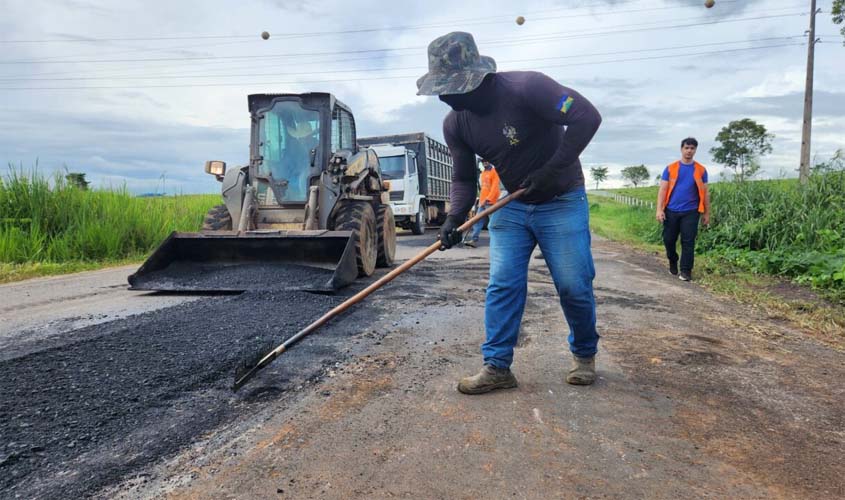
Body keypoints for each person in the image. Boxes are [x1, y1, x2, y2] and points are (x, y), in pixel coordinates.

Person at [417, 32, 603, 394]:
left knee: (573, 285)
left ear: (475, 79)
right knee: (503, 285)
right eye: (439, 88)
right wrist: (454, 218)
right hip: (513, 206)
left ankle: (584, 354)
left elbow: (586, 117)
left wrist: (552, 169)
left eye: (450, 87)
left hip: (562, 200)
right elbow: (463, 177)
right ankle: (497, 367)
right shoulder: (455, 123)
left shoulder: (528, 87)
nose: (443, 97)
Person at [655, 137, 711, 282]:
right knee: (668, 239)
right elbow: (663, 189)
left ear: (695, 150)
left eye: (692, 148)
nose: (689, 151)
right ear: (681, 149)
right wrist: (659, 210)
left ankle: (686, 270)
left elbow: (705, 192)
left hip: (691, 211)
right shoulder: (670, 168)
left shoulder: (701, 170)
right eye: (686, 148)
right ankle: (673, 260)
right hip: (671, 210)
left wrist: (706, 213)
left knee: (688, 241)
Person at [463, 159, 500, 248]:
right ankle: (474, 240)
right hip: (482, 202)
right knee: (477, 221)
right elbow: (482, 188)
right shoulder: (483, 174)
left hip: (490, 202)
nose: (485, 163)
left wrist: (489, 198)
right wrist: (481, 200)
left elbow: (495, 187)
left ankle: (497, 241)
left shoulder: (494, 172)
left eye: (486, 161)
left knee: (493, 223)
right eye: (483, 161)